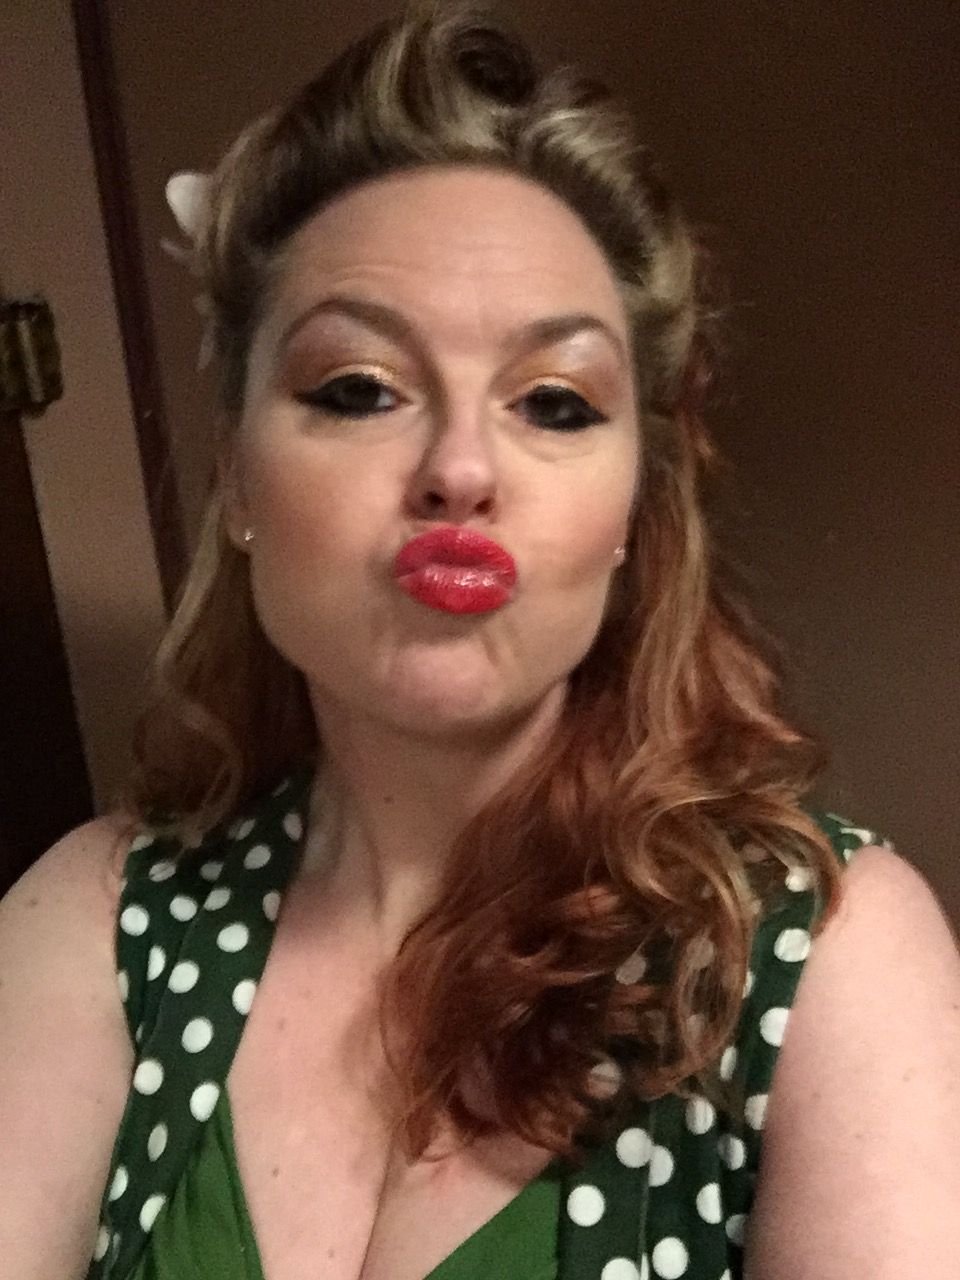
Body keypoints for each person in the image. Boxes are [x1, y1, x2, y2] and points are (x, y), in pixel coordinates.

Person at [2, 2, 958, 1277]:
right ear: (235, 476)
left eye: (554, 403)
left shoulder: (828, 957)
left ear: (632, 508)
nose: (460, 466)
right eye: (359, 388)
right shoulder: (99, 920)